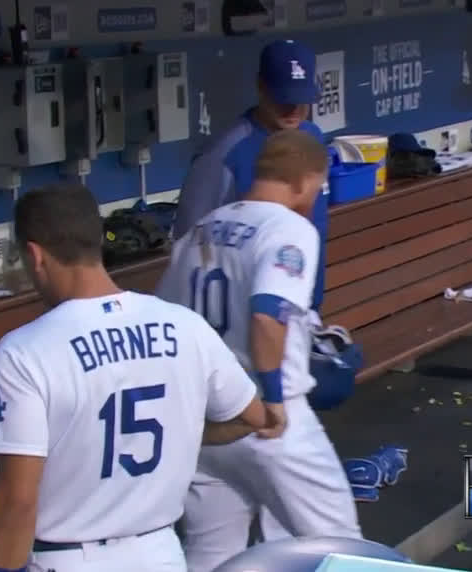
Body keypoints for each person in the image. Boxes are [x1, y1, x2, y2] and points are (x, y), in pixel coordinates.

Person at [0, 183, 268, 572]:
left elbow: (17, 499)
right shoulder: (185, 325)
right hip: (160, 555)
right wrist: (181, 432)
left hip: (68, 559)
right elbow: (252, 416)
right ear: (97, 241)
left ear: (35, 255)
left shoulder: (24, 351)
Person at [156, 130, 362, 572]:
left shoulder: (199, 232)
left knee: (213, 552)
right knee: (343, 550)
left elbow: (164, 323)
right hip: (267, 418)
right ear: (304, 181)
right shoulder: (288, 228)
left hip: (207, 423)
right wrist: (271, 398)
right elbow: (268, 315)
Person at [172, 38, 330, 312]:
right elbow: (188, 243)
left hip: (304, 306)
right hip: (244, 313)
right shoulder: (223, 154)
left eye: (300, 98)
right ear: (260, 87)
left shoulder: (313, 139)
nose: (292, 108)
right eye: (283, 96)